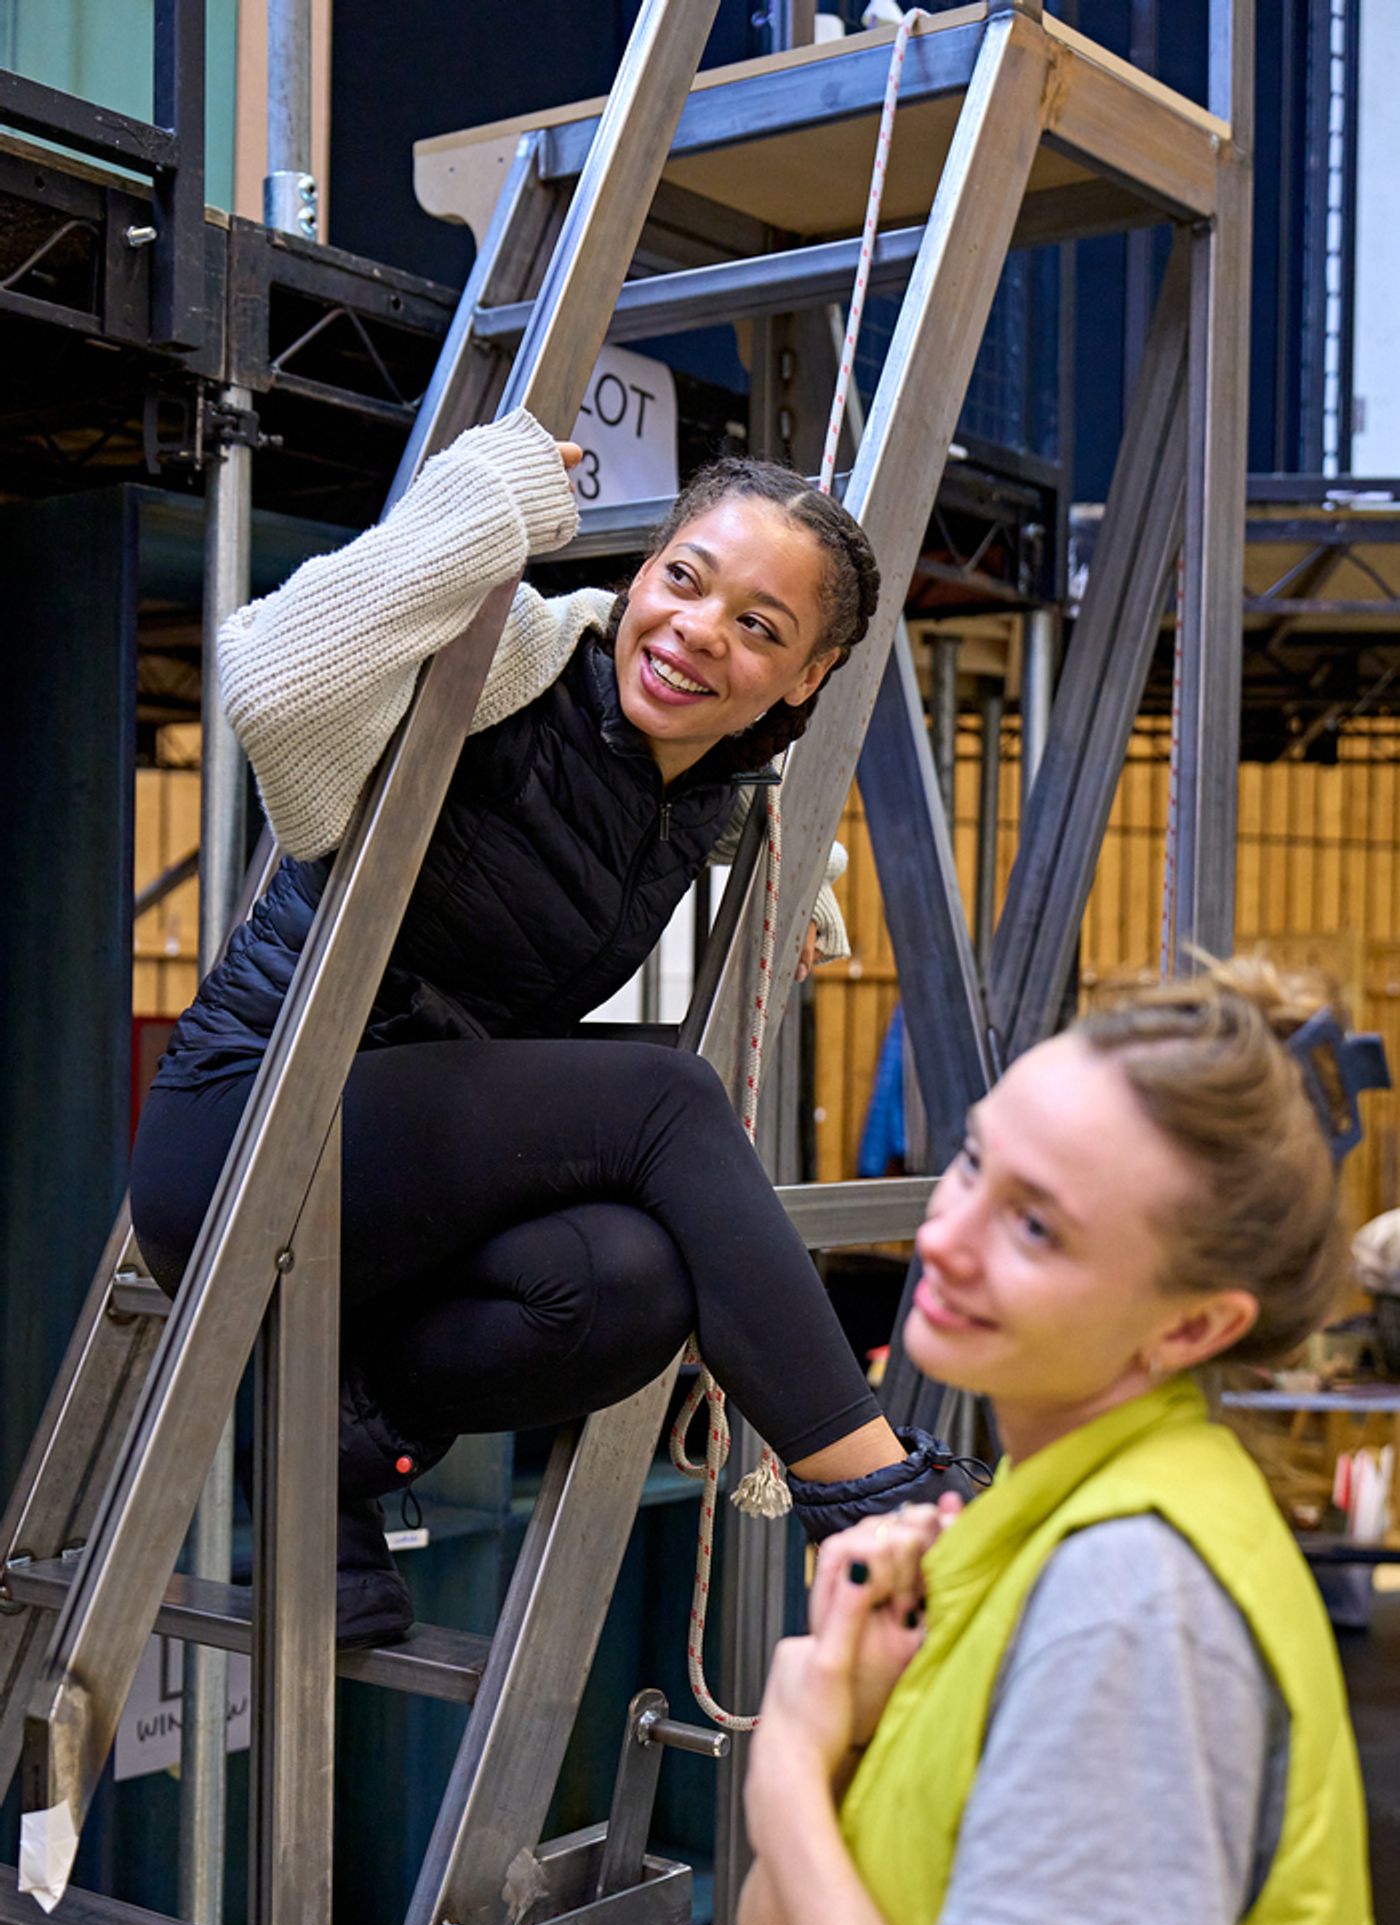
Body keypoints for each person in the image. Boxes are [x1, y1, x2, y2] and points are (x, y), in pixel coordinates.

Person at [129, 407, 976, 1647]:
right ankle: (871, 1493)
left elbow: (751, 794)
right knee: (665, 1103)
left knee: (630, 1284)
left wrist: (816, 893)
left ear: (802, 680)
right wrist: (487, 494)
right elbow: (270, 676)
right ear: (638, 576)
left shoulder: (712, 785)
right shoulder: (514, 661)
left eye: (759, 627)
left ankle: (335, 1447)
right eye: (682, 581)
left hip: (393, 1192)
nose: (696, 632)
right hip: (250, 1124)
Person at [738, 960, 1387, 1925]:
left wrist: (789, 1784)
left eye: (1034, 1227)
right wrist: (845, 1747)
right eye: (976, 1161)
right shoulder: (1031, 1537)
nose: (945, 1237)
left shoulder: (1126, 1612)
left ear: (1191, 1325)